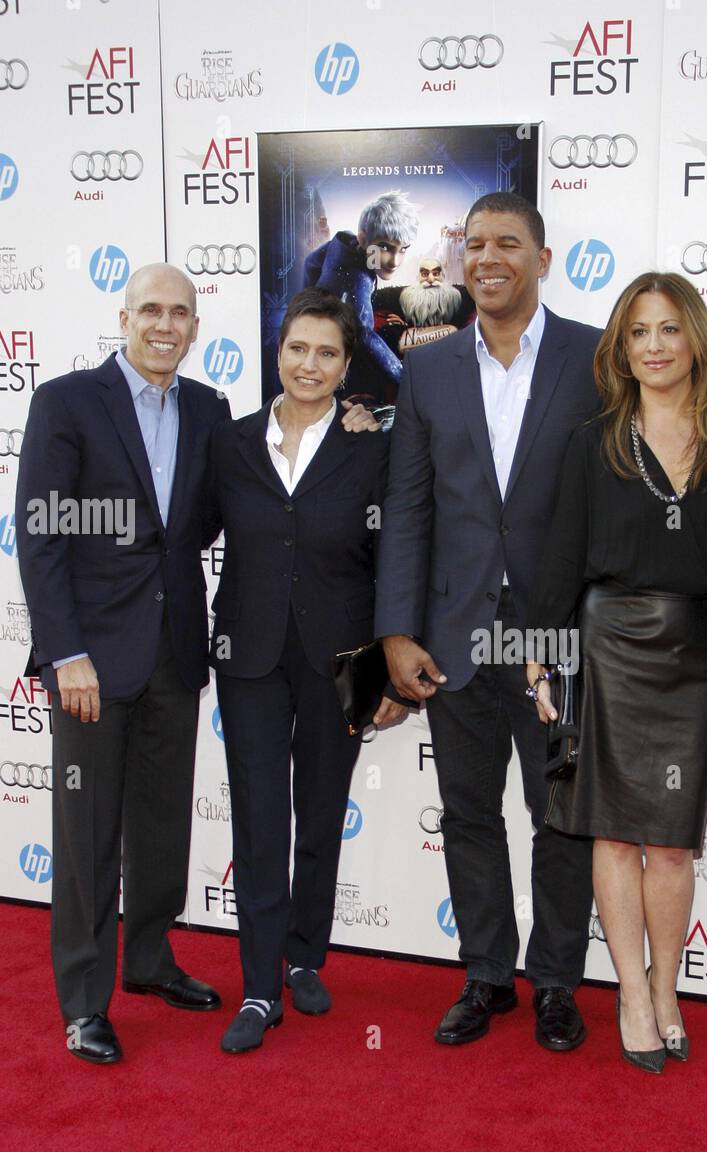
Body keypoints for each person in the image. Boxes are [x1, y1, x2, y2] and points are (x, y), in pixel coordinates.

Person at [525, 273, 707, 1072]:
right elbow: (560, 556)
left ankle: (669, 985)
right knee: (613, 833)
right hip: (607, 641)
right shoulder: (595, 440)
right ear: (622, 347)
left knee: (673, 845)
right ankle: (630, 992)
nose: (654, 346)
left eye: (670, 330)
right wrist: (539, 654)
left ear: (696, 342)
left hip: (695, 646)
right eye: (639, 331)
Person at [372, 191, 600, 1051]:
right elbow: (408, 509)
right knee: (468, 811)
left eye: (510, 243)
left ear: (543, 258)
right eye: (476, 245)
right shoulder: (428, 370)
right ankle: (485, 975)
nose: (490, 258)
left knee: (561, 817)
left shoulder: (593, 356)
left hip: (554, 633)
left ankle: (555, 983)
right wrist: (397, 630)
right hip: (455, 631)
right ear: (461, 260)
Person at [16, 263, 230, 1064]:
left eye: (180, 312)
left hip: (175, 653)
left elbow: (223, 506)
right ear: (124, 315)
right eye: (150, 310)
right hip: (92, 664)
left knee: (163, 824)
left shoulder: (208, 409)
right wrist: (65, 652)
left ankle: (147, 959)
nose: (164, 324)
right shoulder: (67, 402)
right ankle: (82, 1000)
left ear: (195, 325)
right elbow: (41, 535)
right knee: (86, 838)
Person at [206, 289, 401, 1054]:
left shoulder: (369, 447)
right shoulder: (231, 443)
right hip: (248, 654)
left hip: (339, 658)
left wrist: (388, 668)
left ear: (346, 365)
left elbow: (392, 562)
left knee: (321, 810)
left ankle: (304, 956)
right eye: (297, 349)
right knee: (259, 816)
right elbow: (189, 529)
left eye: (326, 352)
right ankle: (258, 988)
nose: (308, 364)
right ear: (277, 354)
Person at [303, 190, 418, 402]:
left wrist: (307, 299)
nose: (395, 261)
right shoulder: (357, 278)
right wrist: (405, 379)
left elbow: (310, 262)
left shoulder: (343, 241)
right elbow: (364, 333)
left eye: (403, 250)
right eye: (385, 248)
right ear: (363, 239)